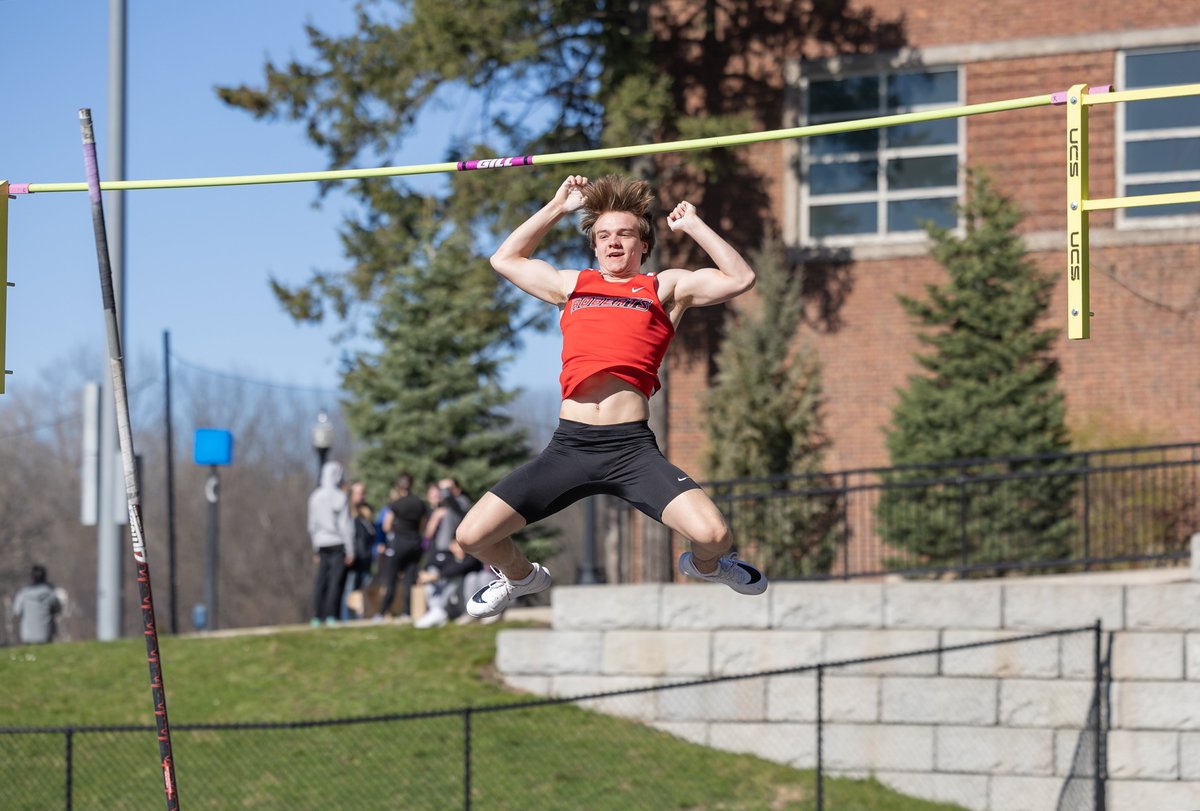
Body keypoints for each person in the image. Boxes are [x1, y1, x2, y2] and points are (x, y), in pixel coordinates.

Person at [459, 174, 768, 619]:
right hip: (569, 447)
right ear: (594, 245)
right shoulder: (572, 286)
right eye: (603, 236)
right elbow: (505, 258)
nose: (613, 243)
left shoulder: (664, 287)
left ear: (643, 243)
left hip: (630, 450)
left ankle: (706, 566)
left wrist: (695, 226)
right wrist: (557, 207)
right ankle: (521, 576)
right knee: (472, 536)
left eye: (624, 234)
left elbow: (741, 278)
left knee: (715, 535)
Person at [374, 473, 427, 621]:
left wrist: (395, 530)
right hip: (415, 544)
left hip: (399, 544)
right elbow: (423, 526)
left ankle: (382, 612)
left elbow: (386, 525)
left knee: (391, 579)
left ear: (399, 486)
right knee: (409, 581)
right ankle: (406, 613)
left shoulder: (396, 504)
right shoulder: (419, 503)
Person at [308, 461, 355, 626]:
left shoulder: (315, 497)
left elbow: (312, 525)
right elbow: (346, 526)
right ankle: (331, 616)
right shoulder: (340, 497)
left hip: (321, 543)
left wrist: (315, 548)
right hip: (337, 543)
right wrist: (350, 550)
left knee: (321, 581)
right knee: (335, 581)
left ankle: (316, 616)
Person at [413, 539, 487, 629]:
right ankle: (437, 610)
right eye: (457, 545)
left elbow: (459, 569)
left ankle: (440, 611)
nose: (459, 549)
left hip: (463, 600)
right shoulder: (447, 557)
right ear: (451, 546)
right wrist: (424, 574)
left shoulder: (471, 558)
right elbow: (432, 565)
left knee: (458, 577)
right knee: (432, 571)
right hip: (449, 599)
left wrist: (436, 576)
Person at [342, 480, 375, 620]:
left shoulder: (366, 515)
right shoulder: (346, 515)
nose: (362, 496)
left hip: (366, 560)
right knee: (349, 593)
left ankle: (362, 618)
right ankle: (346, 619)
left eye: (363, 493)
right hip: (353, 561)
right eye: (359, 493)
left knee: (365, 591)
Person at [12, 564, 61, 644]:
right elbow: (58, 609)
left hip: (27, 636)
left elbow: (17, 611)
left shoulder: (23, 594)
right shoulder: (49, 593)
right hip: (46, 635)